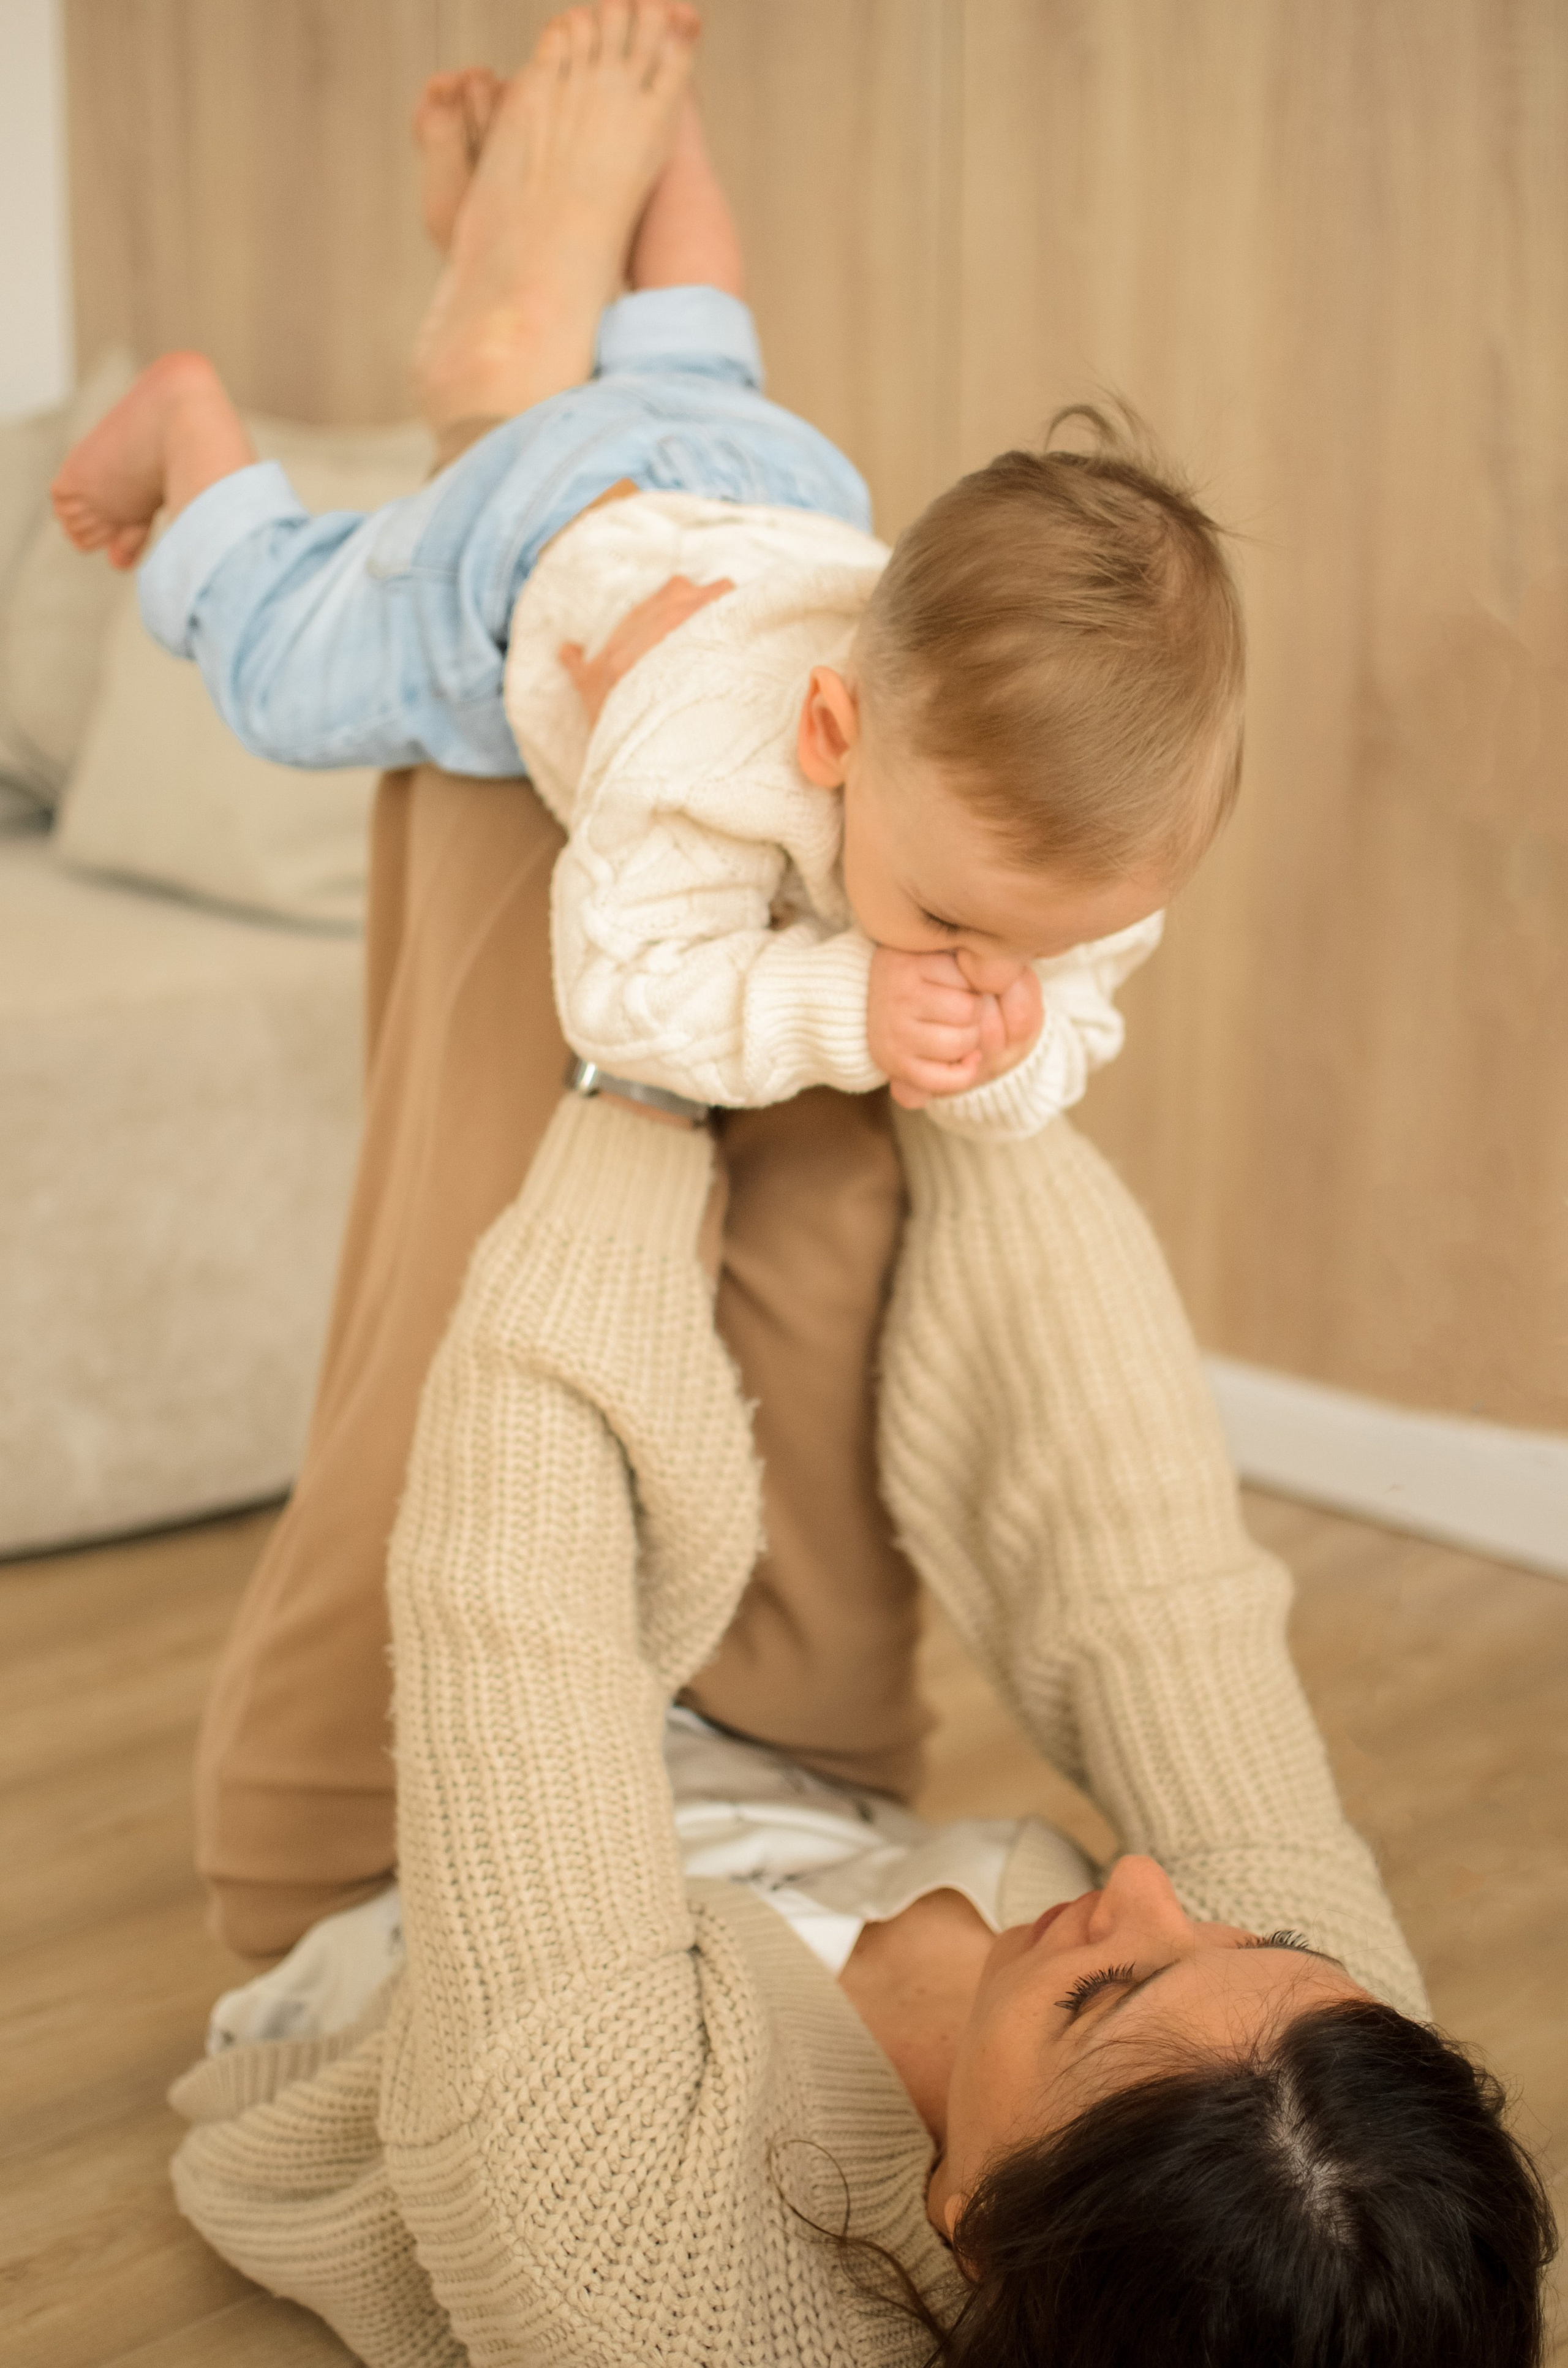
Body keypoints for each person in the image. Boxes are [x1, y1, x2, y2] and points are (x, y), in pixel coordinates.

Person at [88, 10, 1553, 2361]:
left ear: (972, 2223)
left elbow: (516, 1611)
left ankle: (503, 393)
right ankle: (598, 443)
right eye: (1233, 1938)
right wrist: (946, 1050)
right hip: (792, 1739)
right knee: (864, 1018)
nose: (1164, 1885)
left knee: (529, 989)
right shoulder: (1311, 2133)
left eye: (1111, 1984)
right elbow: (1142, 1574)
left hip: (406, 1809)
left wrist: (650, 1062)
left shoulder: (644, 2248)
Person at [51, 15, 1245, 1140]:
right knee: (279, 676)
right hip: (546, 521)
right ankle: (189, 430)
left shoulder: (1075, 862)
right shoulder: (713, 759)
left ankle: (658, 122)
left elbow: (1074, 1034)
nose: (982, 970)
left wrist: (1011, 1056)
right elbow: (620, 993)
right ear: (828, 732)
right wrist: (853, 1008)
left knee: (700, 354)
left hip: (766, 487)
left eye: (1034, 949)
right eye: (942, 922)